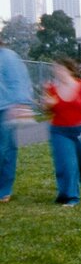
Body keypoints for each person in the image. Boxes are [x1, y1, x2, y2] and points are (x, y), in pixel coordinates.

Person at [42, 58, 81, 206]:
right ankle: (70, 197)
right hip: (60, 131)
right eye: (55, 69)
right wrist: (47, 105)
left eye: (60, 69)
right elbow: (45, 110)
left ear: (69, 70)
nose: (57, 72)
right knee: (66, 164)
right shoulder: (51, 89)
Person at [0, 40, 33, 202]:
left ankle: (4, 189)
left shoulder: (9, 57)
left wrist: (20, 104)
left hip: (5, 108)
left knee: (4, 150)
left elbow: (19, 82)